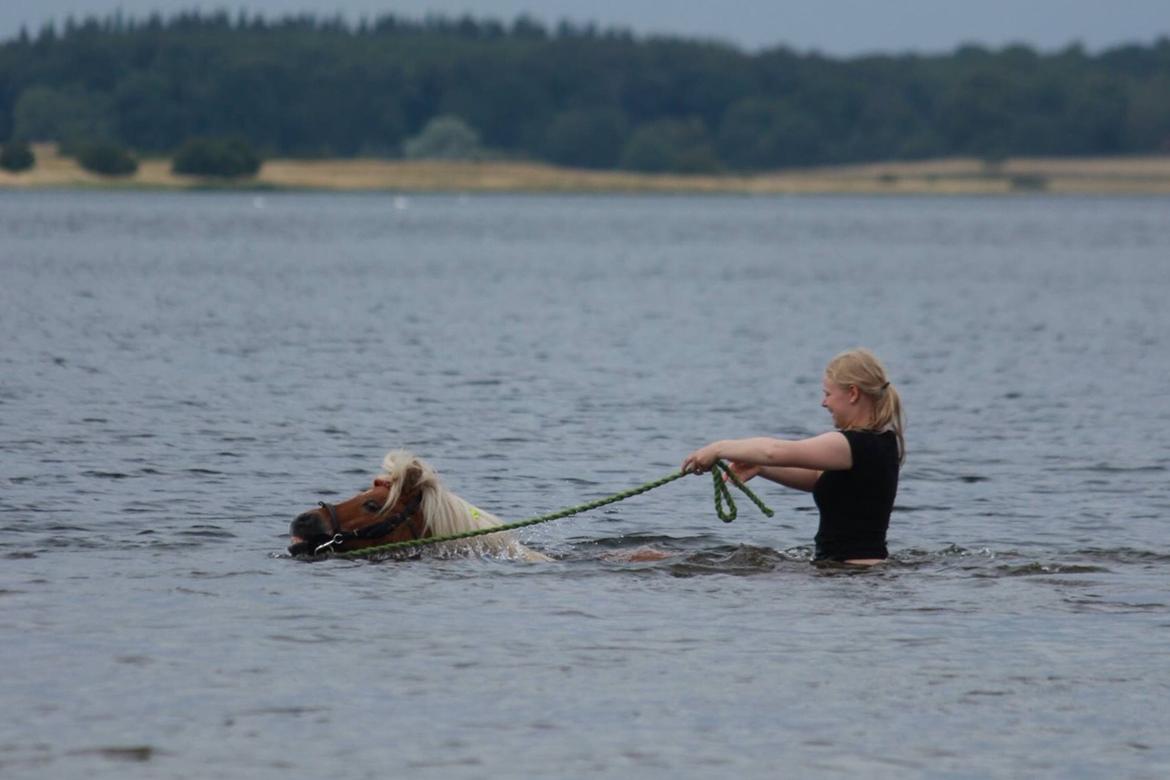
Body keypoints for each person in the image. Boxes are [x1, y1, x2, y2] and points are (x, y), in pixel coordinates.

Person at [681, 348, 904, 566]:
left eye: (828, 394)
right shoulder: (880, 441)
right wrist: (761, 468)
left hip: (850, 574)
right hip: (856, 573)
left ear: (853, 393)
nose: (824, 403)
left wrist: (719, 448)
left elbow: (774, 451)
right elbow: (818, 479)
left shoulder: (852, 444)